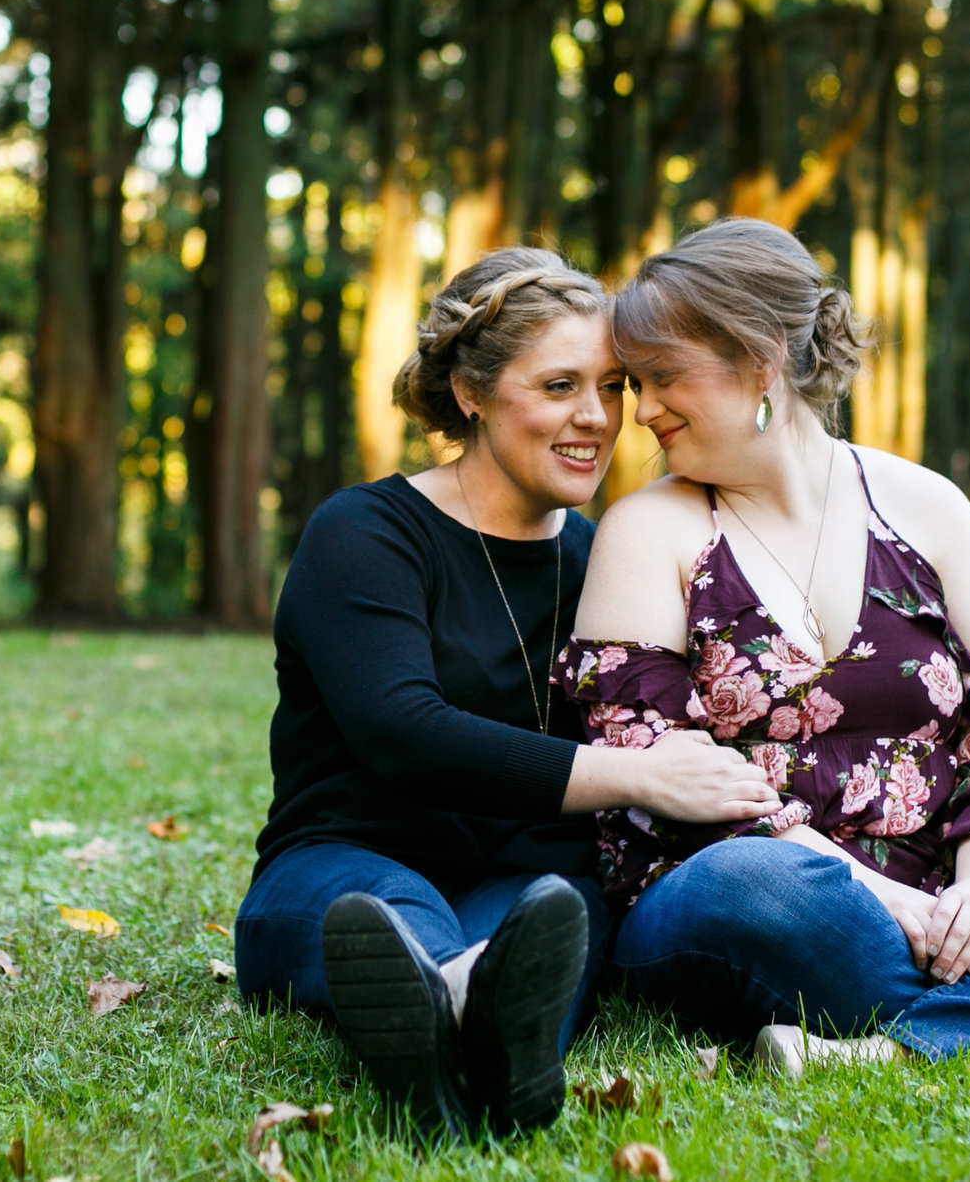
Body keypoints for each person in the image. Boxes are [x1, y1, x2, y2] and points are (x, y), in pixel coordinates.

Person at [559, 218, 970, 1074]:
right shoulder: (646, 530)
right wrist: (894, 906)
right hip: (745, 893)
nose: (641, 410)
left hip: (943, 882)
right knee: (760, 892)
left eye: (660, 379)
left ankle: (891, 1049)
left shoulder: (929, 507)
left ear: (758, 359)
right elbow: (656, 770)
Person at [236, 247, 781, 1134]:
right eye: (559, 385)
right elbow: (401, 733)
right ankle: (460, 1006)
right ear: (471, 392)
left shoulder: (611, 556)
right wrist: (635, 774)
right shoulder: (367, 533)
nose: (597, 418)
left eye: (612, 386)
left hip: (527, 872)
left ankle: (464, 1043)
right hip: (344, 860)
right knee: (389, 918)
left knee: (551, 923)